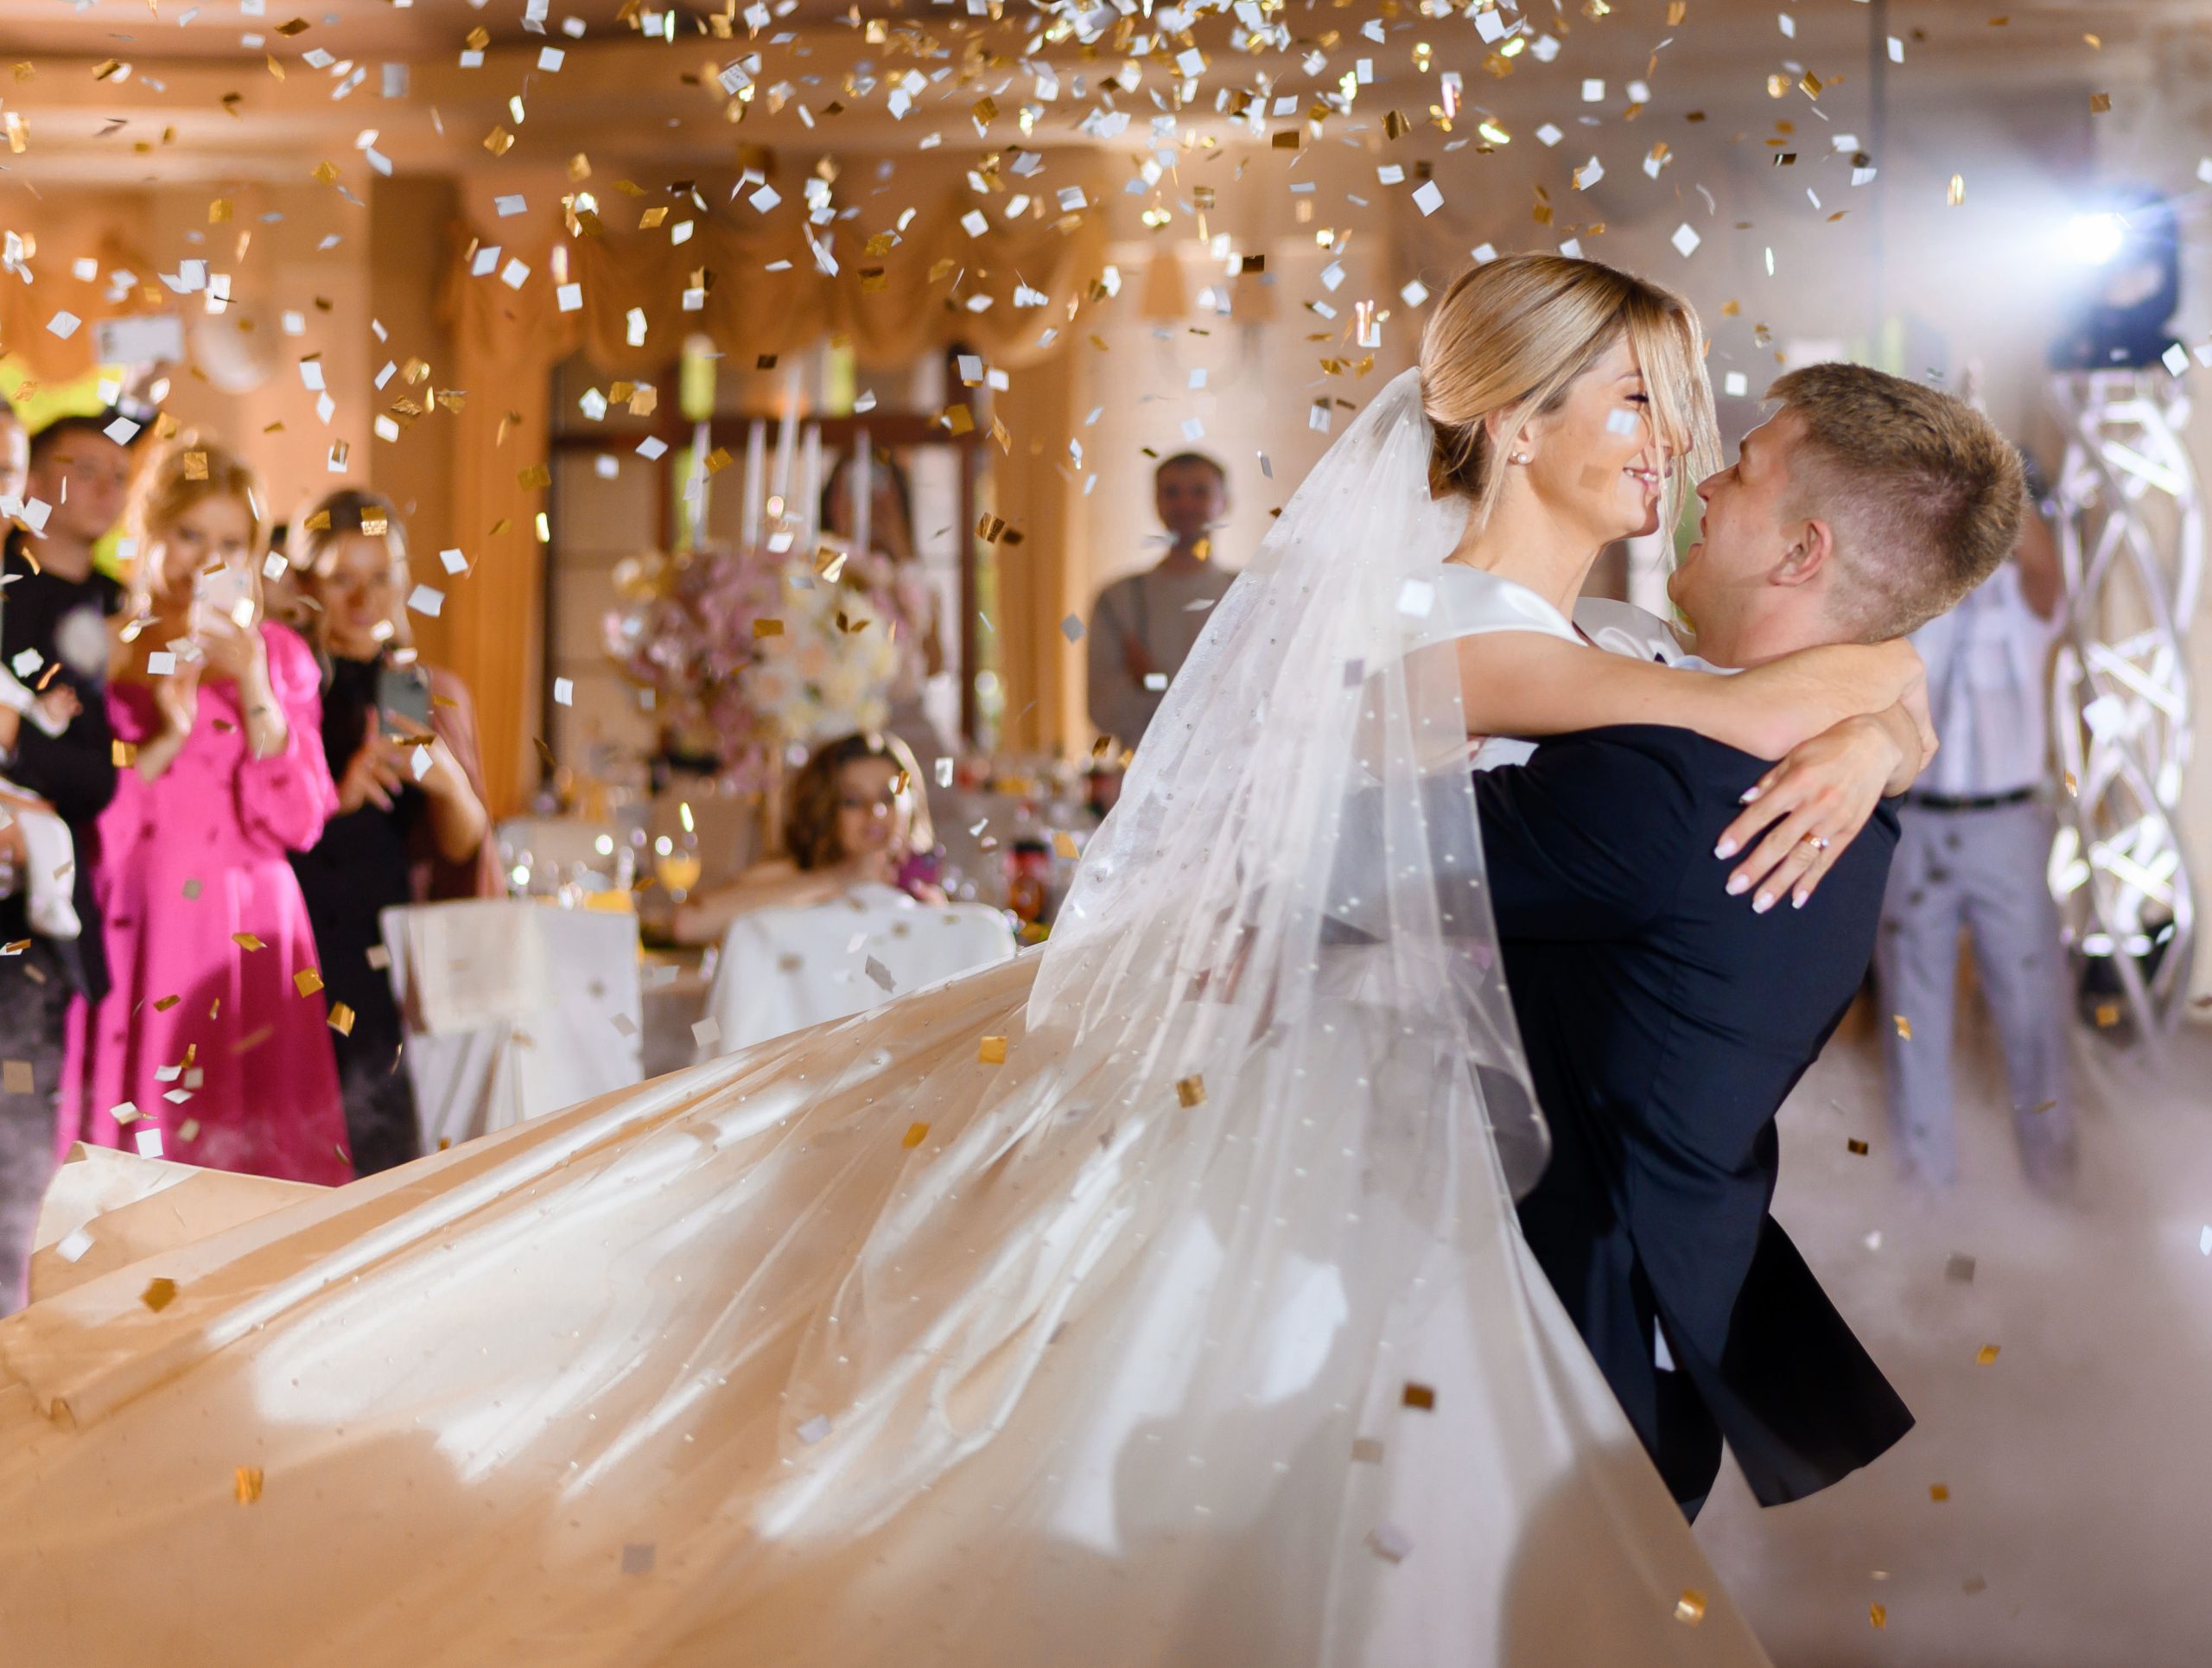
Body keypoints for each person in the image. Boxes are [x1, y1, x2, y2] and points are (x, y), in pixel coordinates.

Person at [0, 258, 1929, 1665]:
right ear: (1516, 420)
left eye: (1686, 411)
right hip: (1297, 1117)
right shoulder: (1440, 613)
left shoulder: (1649, 670)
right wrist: (1835, 696)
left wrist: (1870, 700)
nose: (1674, 446)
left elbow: (1734, 697)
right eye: (1640, 403)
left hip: (1436, 1156)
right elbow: (1485, 701)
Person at [1472, 360, 2025, 1519]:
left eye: (1744, 466)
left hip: (1546, 1369)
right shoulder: (1836, 785)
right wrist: (1884, 702)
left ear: (1801, 551)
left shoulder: (1671, 792)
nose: (1702, 484)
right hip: (1643, 1357)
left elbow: (1321, 853)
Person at [55, 440, 351, 1187]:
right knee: (143, 1170)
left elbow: (301, 820)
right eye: (190, 536)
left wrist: (253, 682)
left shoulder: (279, 654)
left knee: (258, 1165)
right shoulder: (106, 655)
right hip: (141, 924)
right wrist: (166, 731)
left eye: (229, 545)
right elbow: (92, 823)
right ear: (150, 534)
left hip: (252, 932)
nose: (205, 561)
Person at [286, 489, 498, 1178]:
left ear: (404, 578)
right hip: (293, 927)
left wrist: (445, 780)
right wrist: (337, 794)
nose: (361, 599)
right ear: (306, 581)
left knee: (378, 1149)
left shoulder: (417, 688)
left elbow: (461, 851)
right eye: (342, 577)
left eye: (379, 576)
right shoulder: (283, 683)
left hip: (378, 947)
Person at [1874, 496, 2075, 1188]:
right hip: (1915, 820)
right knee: (1911, 1012)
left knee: (2031, 1012)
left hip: (2005, 826)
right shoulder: (1910, 604)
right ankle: (1925, 1202)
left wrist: (1990, 488)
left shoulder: (2020, 606)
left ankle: (2053, 1184)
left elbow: (2048, 568)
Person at [0, 409, 132, 1313]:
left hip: (23, 941)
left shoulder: (54, 607)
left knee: (14, 1165)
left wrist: (12, 734)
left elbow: (97, 773)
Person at [669, 730, 941, 945]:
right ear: (824, 810)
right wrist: (841, 877)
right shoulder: (793, 873)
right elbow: (689, 923)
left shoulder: (923, 894)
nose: (876, 812)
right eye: (853, 801)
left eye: (887, 797)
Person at [1084, 452, 1239, 753]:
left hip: (1232, 781)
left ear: (1224, 502)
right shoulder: (1117, 601)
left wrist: (1150, 681)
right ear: (1156, 502)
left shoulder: (1252, 594)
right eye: (1172, 493)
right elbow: (1101, 712)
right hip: (1145, 780)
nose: (1185, 505)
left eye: (1199, 492)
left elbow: (1263, 700)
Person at [820, 448, 950, 765]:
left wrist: (902, 560)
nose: (869, 505)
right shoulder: (820, 572)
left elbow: (935, 665)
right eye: (852, 491)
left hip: (906, 734)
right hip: (835, 729)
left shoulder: (916, 583)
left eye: (880, 494)